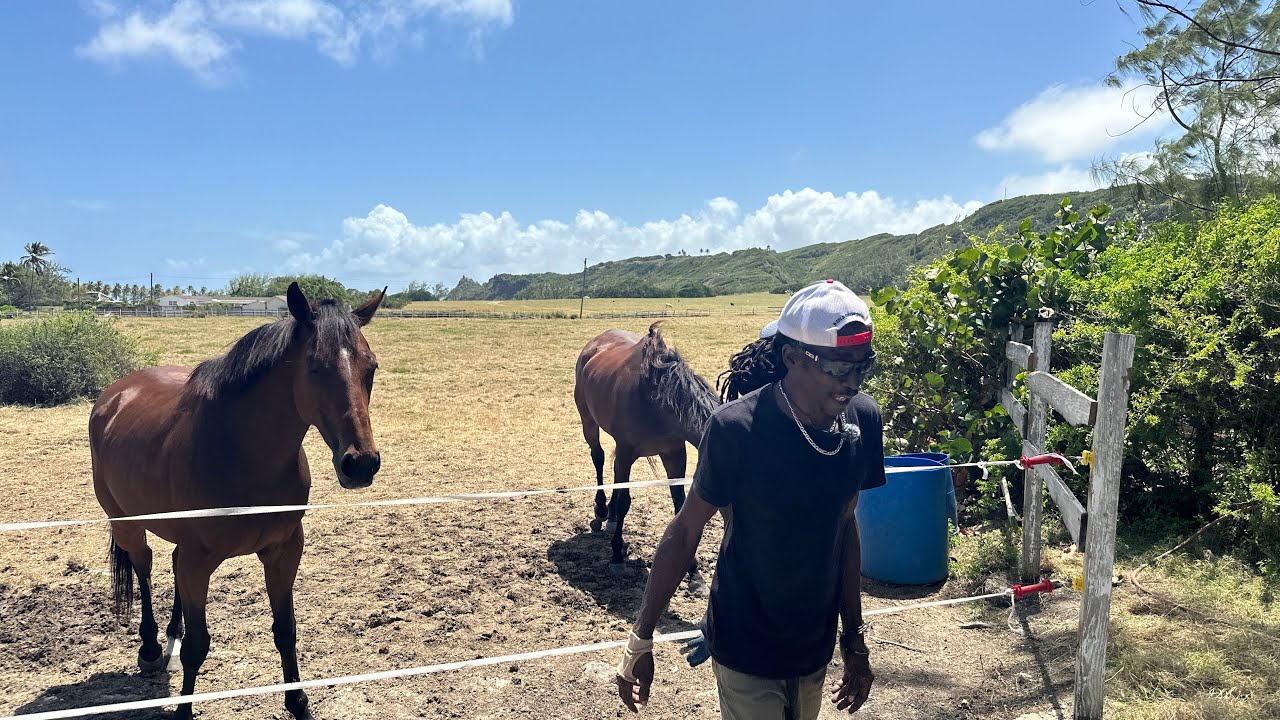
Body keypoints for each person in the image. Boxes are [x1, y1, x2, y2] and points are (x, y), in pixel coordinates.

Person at [616, 278, 885, 719]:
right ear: (792, 357)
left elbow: (845, 526)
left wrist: (853, 640)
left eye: (863, 366)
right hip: (746, 639)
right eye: (839, 368)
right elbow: (685, 530)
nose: (852, 382)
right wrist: (640, 638)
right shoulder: (735, 429)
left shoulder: (863, 420)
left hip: (813, 643)